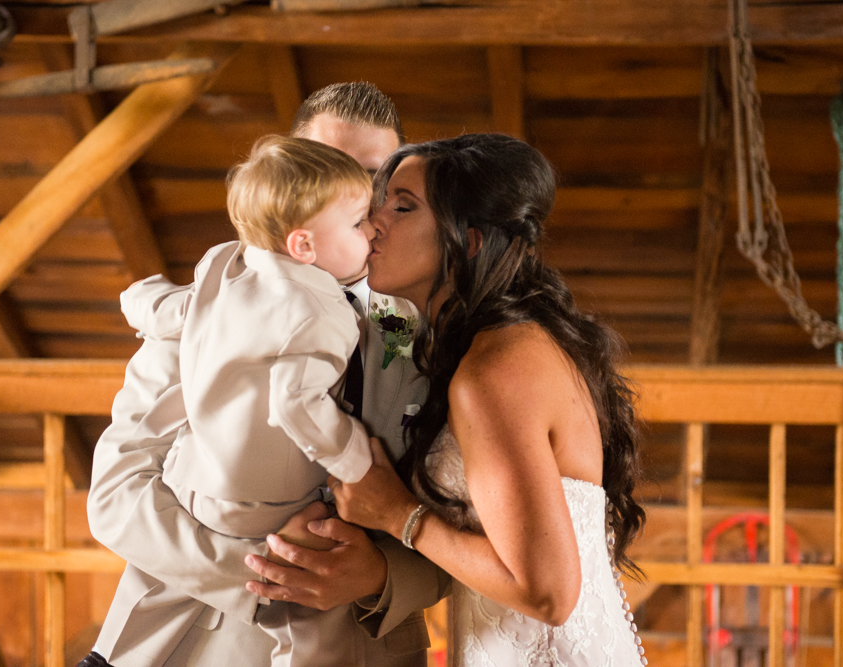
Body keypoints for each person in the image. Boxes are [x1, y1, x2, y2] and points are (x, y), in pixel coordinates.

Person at [81, 83, 445, 667]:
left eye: (371, 178)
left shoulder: (423, 323)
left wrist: (378, 572)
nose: (347, 191)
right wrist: (271, 574)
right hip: (196, 643)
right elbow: (115, 492)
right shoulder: (215, 299)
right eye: (323, 166)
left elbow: (471, 527)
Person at [325, 133, 649, 665]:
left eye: (402, 207)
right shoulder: (508, 344)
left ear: (468, 240)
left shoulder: (494, 371)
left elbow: (548, 593)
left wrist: (398, 514)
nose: (373, 221)